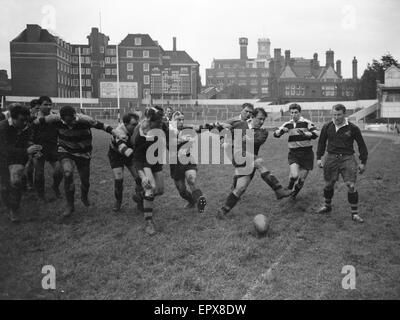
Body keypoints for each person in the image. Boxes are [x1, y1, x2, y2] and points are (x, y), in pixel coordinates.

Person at [34, 105, 115, 217]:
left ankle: (84, 196)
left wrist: (116, 132)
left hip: (83, 152)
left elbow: (103, 126)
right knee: (67, 173)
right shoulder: (54, 119)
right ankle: (70, 205)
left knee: (85, 180)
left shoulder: (85, 120)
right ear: (61, 119)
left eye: (71, 121)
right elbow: (35, 123)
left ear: (75, 116)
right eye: (66, 122)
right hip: (65, 150)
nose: (70, 124)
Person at [216, 107, 292, 219]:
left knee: (241, 188)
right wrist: (221, 134)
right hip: (239, 157)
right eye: (259, 119)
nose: (261, 122)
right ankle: (278, 190)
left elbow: (256, 141)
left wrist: (240, 139)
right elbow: (220, 130)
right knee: (259, 162)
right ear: (252, 117)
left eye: (263, 120)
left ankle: (222, 211)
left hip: (249, 160)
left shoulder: (263, 132)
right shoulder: (239, 125)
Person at [316, 104, 368, 223]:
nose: (336, 117)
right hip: (331, 158)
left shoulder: (353, 128)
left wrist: (363, 162)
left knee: (351, 185)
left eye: (339, 115)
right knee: (329, 184)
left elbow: (361, 145)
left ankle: (354, 214)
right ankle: (327, 206)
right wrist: (319, 158)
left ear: (344, 114)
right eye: (334, 114)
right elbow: (321, 143)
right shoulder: (327, 126)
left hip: (347, 158)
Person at [0, 104, 42, 222]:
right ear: (12, 118)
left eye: (26, 120)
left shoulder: (26, 127)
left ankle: (14, 210)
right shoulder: (2, 127)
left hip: (17, 159)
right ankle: (9, 205)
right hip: (2, 159)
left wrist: (34, 150)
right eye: (21, 120)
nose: (24, 123)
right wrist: (26, 151)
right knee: (4, 188)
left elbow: (27, 142)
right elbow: (4, 149)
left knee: (16, 182)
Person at [130, 106, 168, 235]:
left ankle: (140, 196)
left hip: (155, 161)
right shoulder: (140, 134)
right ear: (151, 121)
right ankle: (149, 223)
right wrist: (142, 176)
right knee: (150, 189)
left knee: (160, 190)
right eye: (159, 121)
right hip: (143, 162)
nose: (162, 123)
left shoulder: (162, 126)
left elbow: (170, 139)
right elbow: (136, 159)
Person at [273, 103, 319, 198]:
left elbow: (316, 132)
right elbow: (276, 134)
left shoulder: (306, 122)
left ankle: (294, 194)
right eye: (292, 113)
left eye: (296, 112)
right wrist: (282, 131)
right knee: (294, 176)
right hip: (294, 153)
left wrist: (307, 134)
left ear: (300, 113)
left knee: (301, 180)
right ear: (290, 113)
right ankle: (289, 188)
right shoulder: (288, 124)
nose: (294, 115)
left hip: (307, 154)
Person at [169, 111, 207, 213]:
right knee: (181, 190)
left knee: (191, 180)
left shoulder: (188, 128)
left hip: (188, 159)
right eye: (178, 119)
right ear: (172, 120)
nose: (181, 122)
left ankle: (200, 201)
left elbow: (201, 128)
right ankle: (191, 201)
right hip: (175, 163)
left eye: (182, 119)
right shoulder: (168, 131)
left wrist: (216, 127)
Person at [108, 112, 142, 212]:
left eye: (137, 123)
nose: (136, 126)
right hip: (116, 156)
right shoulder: (119, 132)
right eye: (134, 124)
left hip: (130, 154)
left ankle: (140, 199)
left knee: (139, 178)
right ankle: (118, 202)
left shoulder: (137, 129)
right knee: (119, 181)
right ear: (125, 124)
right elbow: (124, 150)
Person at [30, 96, 63, 201]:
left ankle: (55, 187)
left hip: (53, 147)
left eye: (50, 104)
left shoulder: (55, 117)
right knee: (39, 173)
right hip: (38, 148)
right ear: (39, 106)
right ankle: (40, 194)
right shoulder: (33, 118)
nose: (48, 107)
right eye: (45, 104)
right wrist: (32, 146)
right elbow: (28, 135)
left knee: (59, 170)